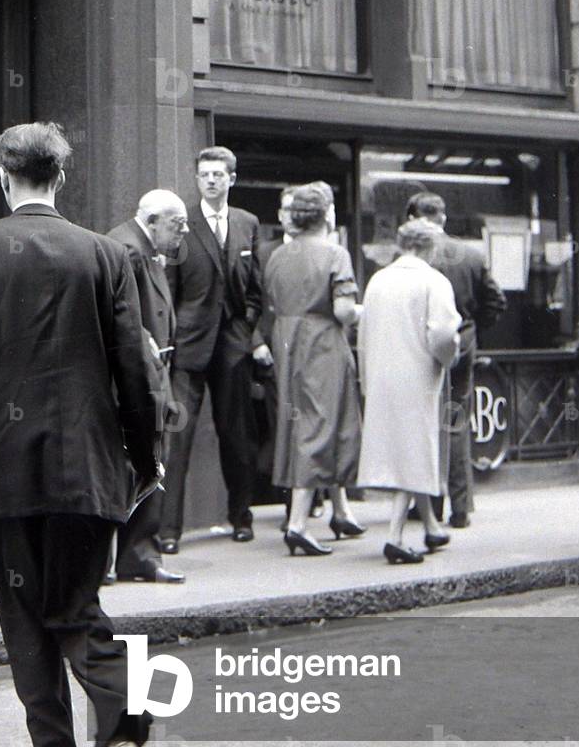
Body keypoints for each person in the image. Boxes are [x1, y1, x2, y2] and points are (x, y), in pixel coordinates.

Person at [0, 122, 162, 747]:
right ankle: (122, 731)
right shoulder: (105, 254)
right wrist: (147, 457)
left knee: (24, 622)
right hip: (88, 466)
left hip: (5, 470)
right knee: (81, 608)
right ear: (60, 177)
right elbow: (134, 369)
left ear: (2, 176)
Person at [161, 145, 265, 552]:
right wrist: (173, 336)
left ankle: (241, 517)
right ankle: (170, 530)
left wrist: (247, 326)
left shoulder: (247, 223)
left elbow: (255, 286)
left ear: (231, 179)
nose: (210, 180)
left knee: (237, 436)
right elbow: (168, 288)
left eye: (218, 174)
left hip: (233, 344)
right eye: (204, 174)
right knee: (179, 438)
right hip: (189, 345)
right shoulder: (182, 223)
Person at [262, 183, 364, 556]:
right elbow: (342, 310)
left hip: (287, 339)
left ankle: (340, 511)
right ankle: (299, 524)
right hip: (322, 342)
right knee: (321, 425)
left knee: (302, 422)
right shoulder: (335, 254)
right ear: (327, 215)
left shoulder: (277, 255)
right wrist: (362, 312)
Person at [358, 220, 462, 563]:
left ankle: (431, 526)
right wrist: (447, 359)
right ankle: (395, 536)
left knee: (404, 449)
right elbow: (445, 335)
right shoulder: (433, 281)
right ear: (430, 247)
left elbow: (364, 335)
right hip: (418, 374)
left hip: (381, 376)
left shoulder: (377, 280)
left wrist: (366, 379)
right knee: (414, 450)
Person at [405, 192, 507, 528]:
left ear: (413, 218)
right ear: (443, 218)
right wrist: (472, 327)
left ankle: (430, 505)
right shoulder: (470, 255)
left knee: (425, 422)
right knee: (456, 421)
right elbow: (495, 301)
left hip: (422, 345)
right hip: (462, 342)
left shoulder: (414, 258)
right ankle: (461, 508)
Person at [106, 189, 188, 584]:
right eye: (177, 223)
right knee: (149, 458)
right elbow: (125, 319)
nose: (184, 231)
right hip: (143, 376)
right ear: (153, 219)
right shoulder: (131, 249)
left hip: (150, 372)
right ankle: (137, 554)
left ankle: (131, 554)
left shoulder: (136, 244)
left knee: (146, 458)